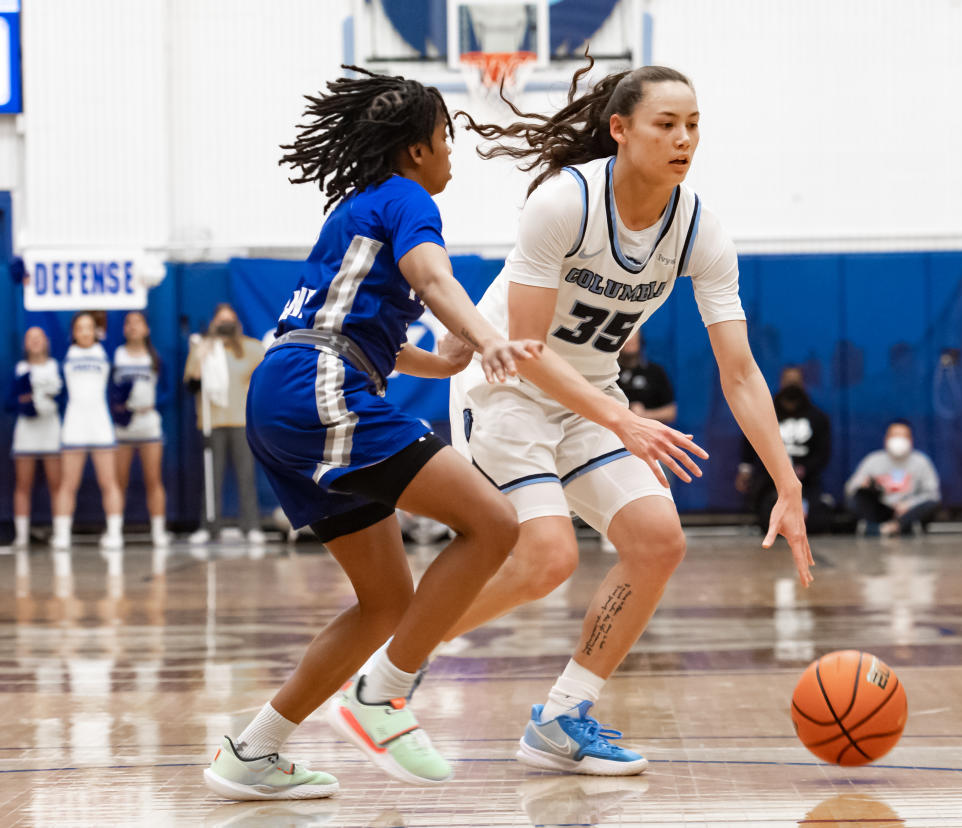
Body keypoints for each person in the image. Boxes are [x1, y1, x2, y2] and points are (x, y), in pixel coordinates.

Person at [202, 66, 686, 801]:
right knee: (493, 524)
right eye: (445, 139)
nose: (452, 153)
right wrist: (487, 336)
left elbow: (357, 331)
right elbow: (431, 277)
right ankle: (382, 697)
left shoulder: (354, 209)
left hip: (290, 388)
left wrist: (446, 358)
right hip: (322, 391)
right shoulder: (406, 199)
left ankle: (252, 750)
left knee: (385, 602)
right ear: (417, 151)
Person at [439, 61, 814, 777]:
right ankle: (393, 662)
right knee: (548, 556)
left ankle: (561, 716)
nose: (684, 140)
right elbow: (525, 350)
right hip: (507, 387)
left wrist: (786, 484)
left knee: (658, 542)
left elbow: (740, 372)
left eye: (694, 126)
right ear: (620, 129)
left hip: (590, 397)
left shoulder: (698, 228)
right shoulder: (564, 204)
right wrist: (623, 419)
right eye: (666, 124)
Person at [183, 303, 265, 545]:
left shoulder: (251, 348)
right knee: (212, 476)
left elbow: (266, 375)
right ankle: (209, 526)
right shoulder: (202, 346)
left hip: (242, 421)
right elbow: (191, 384)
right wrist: (201, 357)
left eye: (230, 320)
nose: (225, 325)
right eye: (221, 321)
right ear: (213, 323)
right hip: (213, 421)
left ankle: (251, 526)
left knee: (246, 476)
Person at [53, 311, 124, 550]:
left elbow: (113, 317)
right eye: (79, 327)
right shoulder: (66, 353)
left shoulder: (106, 351)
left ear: (96, 330)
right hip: (74, 422)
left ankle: (115, 533)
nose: (84, 332)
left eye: (89, 327)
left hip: (100, 422)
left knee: (109, 481)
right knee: (68, 483)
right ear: (73, 332)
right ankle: (62, 533)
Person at [736, 365, 832, 533]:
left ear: (802, 384)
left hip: (806, 482)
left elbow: (823, 453)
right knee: (769, 521)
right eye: (788, 382)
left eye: (795, 382)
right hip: (771, 481)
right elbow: (750, 444)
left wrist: (804, 469)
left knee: (816, 522)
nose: (791, 386)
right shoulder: (764, 414)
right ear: (781, 383)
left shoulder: (818, 417)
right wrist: (745, 470)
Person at [111, 311, 170, 547]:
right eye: (129, 323)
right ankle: (115, 531)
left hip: (148, 426)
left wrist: (154, 404)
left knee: (153, 479)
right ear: (124, 329)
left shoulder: (154, 358)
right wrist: (119, 408)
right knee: (119, 481)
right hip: (123, 426)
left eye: (138, 322)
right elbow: (110, 390)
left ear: (147, 329)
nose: (133, 327)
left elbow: (166, 391)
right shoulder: (117, 355)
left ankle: (158, 532)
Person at [10, 326, 63, 548]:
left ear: (46, 342)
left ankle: (61, 533)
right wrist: (26, 403)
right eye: (29, 338)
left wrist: (51, 402)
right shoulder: (20, 368)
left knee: (56, 484)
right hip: (27, 431)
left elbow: (65, 396)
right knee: (23, 484)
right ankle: (21, 536)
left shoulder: (55, 367)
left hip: (50, 429)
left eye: (38, 337)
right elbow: (10, 401)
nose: (34, 341)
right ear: (25, 344)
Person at [844, 419, 940, 537]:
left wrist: (908, 505)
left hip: (908, 510)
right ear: (886, 439)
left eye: (903, 436)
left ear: (911, 440)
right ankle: (889, 527)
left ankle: (892, 527)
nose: (898, 440)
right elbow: (850, 488)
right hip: (881, 508)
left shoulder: (921, 461)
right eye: (894, 435)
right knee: (854, 500)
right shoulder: (873, 460)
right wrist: (863, 485)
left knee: (932, 504)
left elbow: (932, 494)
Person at [617, 330, 676, 424]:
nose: (630, 343)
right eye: (627, 341)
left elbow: (671, 412)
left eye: (633, 341)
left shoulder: (655, 371)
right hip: (614, 431)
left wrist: (645, 415)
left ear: (640, 341)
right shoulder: (610, 373)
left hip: (648, 430)